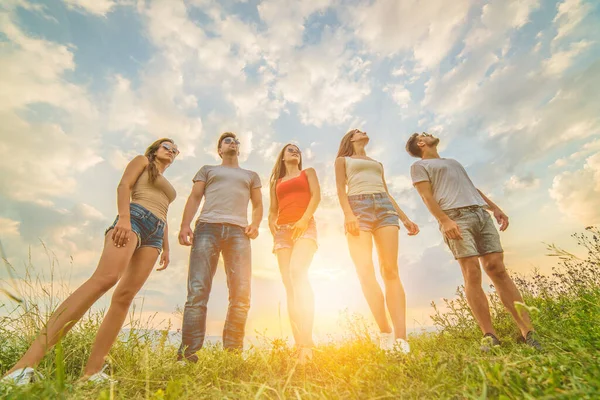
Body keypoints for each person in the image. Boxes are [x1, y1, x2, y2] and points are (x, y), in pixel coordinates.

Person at [2, 139, 179, 385]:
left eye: (174, 149)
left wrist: (166, 246)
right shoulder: (142, 161)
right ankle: (21, 368)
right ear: (155, 149)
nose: (171, 150)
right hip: (134, 219)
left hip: (156, 234)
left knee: (125, 297)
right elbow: (123, 186)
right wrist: (124, 220)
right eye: (166, 146)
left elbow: (164, 213)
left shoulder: (167, 183)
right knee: (104, 279)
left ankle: (91, 373)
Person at [405, 132, 541, 351]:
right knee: (472, 271)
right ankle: (490, 335)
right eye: (424, 135)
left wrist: (494, 207)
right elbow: (426, 196)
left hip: (480, 215)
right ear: (421, 144)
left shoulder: (453, 162)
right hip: (454, 217)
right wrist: (444, 220)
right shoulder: (419, 167)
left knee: (497, 268)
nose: (429, 134)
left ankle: (527, 332)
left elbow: (471, 189)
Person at [177, 132, 263, 362]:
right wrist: (185, 224)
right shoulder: (208, 170)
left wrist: (255, 224)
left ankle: (232, 356)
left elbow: (258, 204)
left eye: (236, 140)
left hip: (239, 232)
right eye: (227, 141)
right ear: (219, 150)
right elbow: (195, 197)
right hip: (207, 227)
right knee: (197, 291)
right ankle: (188, 356)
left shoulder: (251, 175)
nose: (232, 143)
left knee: (241, 293)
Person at [335, 129, 419, 353]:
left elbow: (387, 192)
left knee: (390, 270)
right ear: (351, 139)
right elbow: (340, 191)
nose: (364, 132)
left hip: (384, 209)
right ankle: (385, 332)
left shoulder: (377, 163)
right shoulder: (342, 160)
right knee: (365, 270)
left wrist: (404, 217)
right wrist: (349, 215)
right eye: (358, 131)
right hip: (357, 207)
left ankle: (401, 340)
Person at [268, 143, 320, 364]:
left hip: (305, 226)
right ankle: (299, 343)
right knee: (289, 283)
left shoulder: (308, 173)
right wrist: (272, 226)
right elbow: (272, 210)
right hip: (282, 231)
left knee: (298, 272)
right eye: (290, 149)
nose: (295, 151)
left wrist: (304, 219)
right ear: (282, 157)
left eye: (298, 150)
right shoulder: (276, 183)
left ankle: (308, 343)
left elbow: (316, 197)